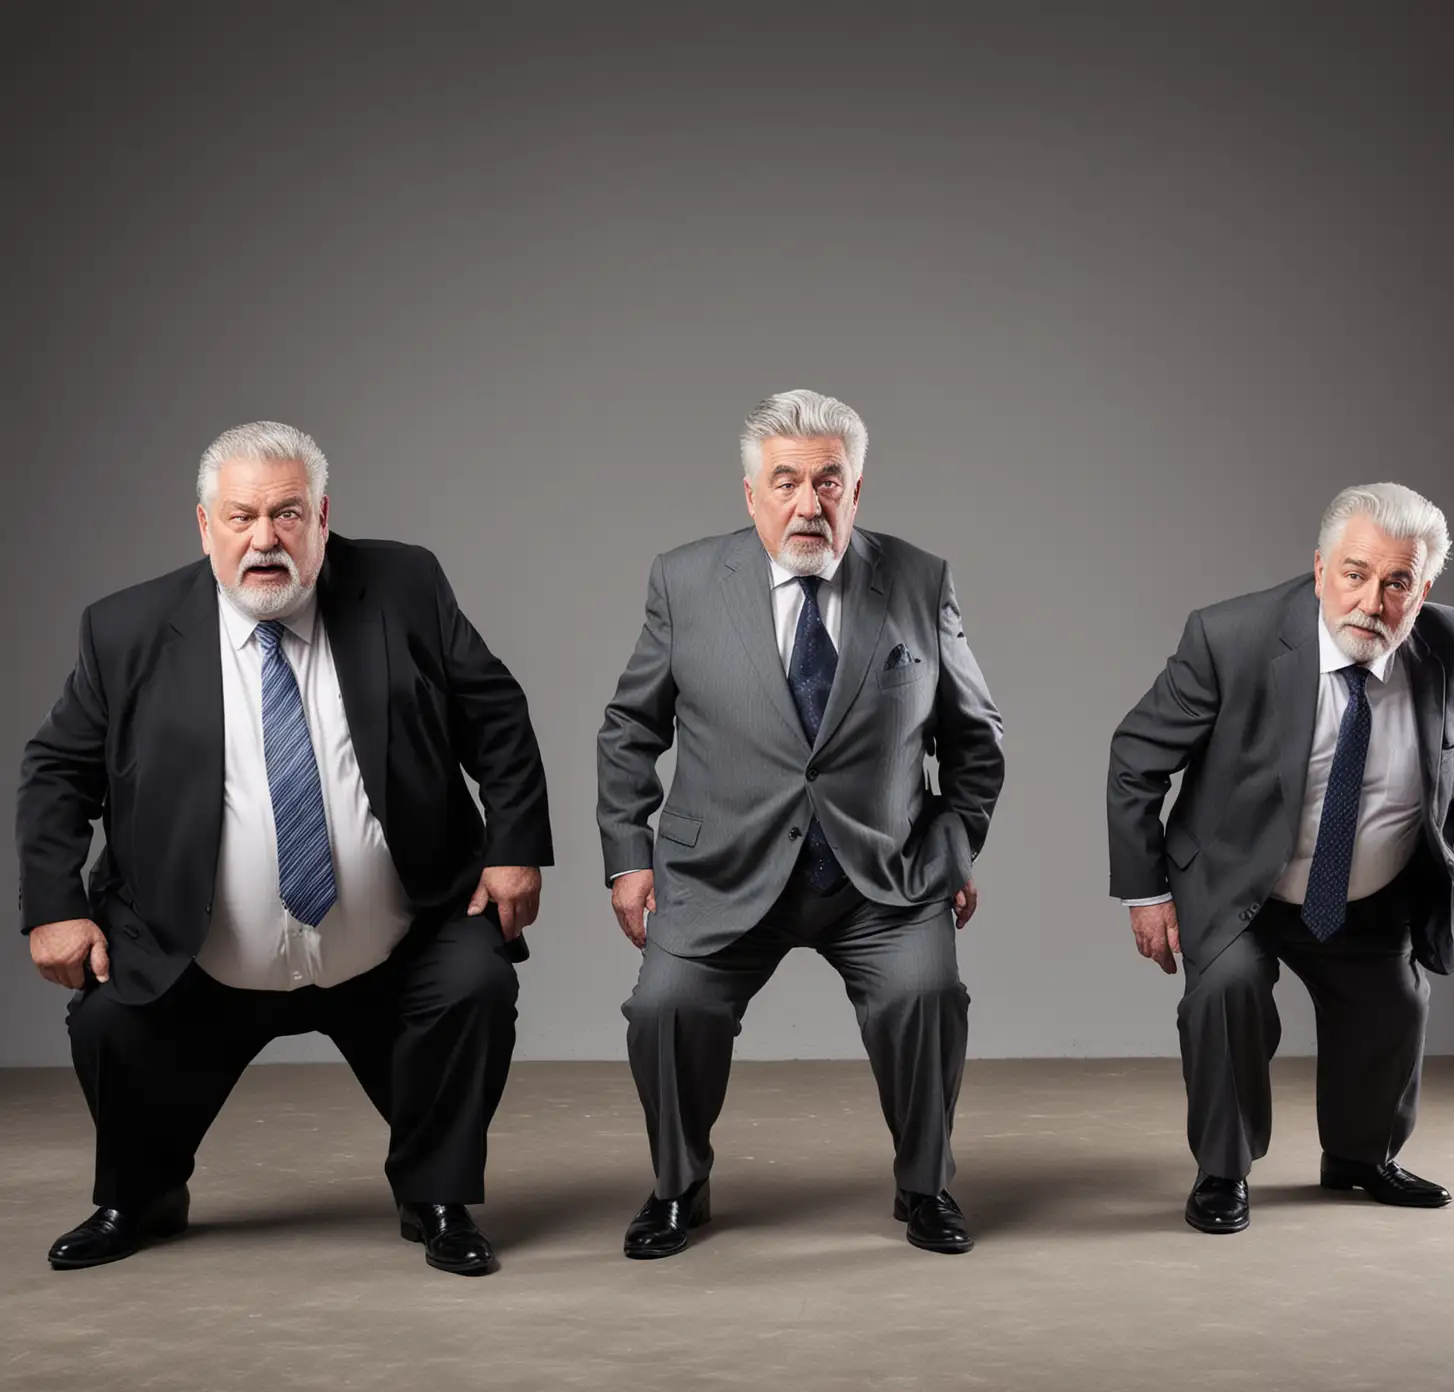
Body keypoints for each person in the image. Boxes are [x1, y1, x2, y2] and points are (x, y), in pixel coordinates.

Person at [19, 421, 553, 1275]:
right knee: (111, 1019)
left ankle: (439, 1199)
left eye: (287, 514)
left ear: (322, 518)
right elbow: (55, 771)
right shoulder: (125, 631)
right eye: (241, 517)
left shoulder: (404, 585)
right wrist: (55, 906)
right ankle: (137, 1194)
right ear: (204, 526)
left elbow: (495, 712)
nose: (265, 539)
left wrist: (513, 844)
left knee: (475, 984)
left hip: (391, 944)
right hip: (196, 956)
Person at [597, 389, 1005, 1259]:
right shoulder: (685, 581)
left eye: (829, 481)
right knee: (663, 1009)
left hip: (882, 879)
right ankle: (678, 1187)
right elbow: (631, 728)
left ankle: (926, 1186)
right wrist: (629, 861)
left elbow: (977, 739)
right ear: (752, 496)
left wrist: (951, 847)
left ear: (858, 491)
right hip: (721, 874)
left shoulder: (919, 581)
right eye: (785, 481)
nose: (807, 502)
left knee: (928, 995)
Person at [1107, 483, 1454, 1233]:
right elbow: (1137, 759)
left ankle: (1361, 1159)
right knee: (1225, 996)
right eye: (1356, 574)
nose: (1372, 601)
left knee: (1393, 1006)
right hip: (1241, 884)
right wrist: (1145, 892)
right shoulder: (1232, 636)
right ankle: (1223, 1172)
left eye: (1397, 582)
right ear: (1321, 565)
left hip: (1374, 888)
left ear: (1422, 590)